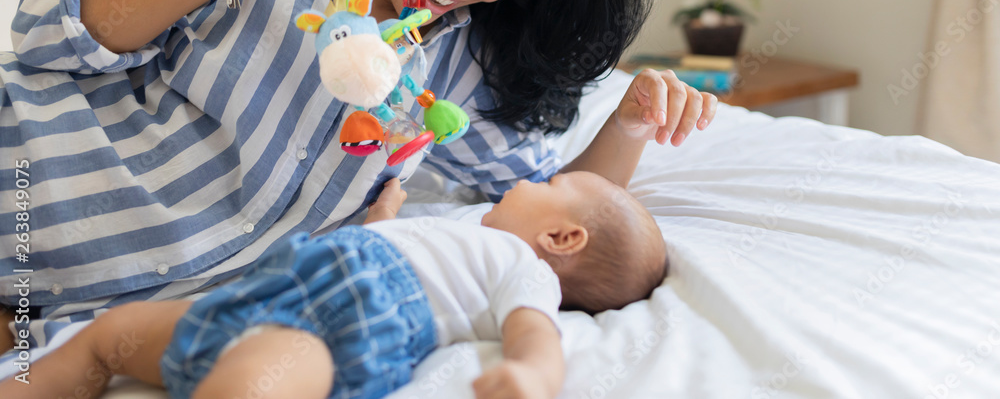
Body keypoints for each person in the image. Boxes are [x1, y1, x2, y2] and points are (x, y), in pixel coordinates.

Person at [0, 0, 716, 363]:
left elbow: (560, 211)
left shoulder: (460, 66)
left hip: (58, 321)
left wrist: (631, 121)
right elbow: (49, 30)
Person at [0, 170, 667, 399]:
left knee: (256, 381)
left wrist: (528, 377)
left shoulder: (523, 269)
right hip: (262, 295)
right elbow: (387, 244)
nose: (524, 181)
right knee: (111, 334)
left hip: (328, 330)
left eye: (549, 184)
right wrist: (384, 216)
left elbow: (535, 334)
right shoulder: (464, 230)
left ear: (563, 238)